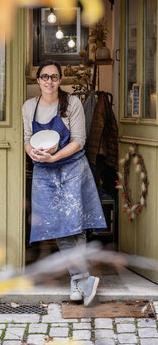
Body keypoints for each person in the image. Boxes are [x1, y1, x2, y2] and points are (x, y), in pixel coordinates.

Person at [22, 60, 107, 307]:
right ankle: (82, 280)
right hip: (44, 173)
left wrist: (54, 156)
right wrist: (33, 154)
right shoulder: (29, 107)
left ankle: (77, 281)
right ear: (38, 80)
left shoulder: (72, 104)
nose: (49, 81)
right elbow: (28, 139)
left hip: (71, 169)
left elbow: (79, 140)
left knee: (73, 225)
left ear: (60, 80)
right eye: (45, 76)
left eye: (54, 77)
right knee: (56, 225)